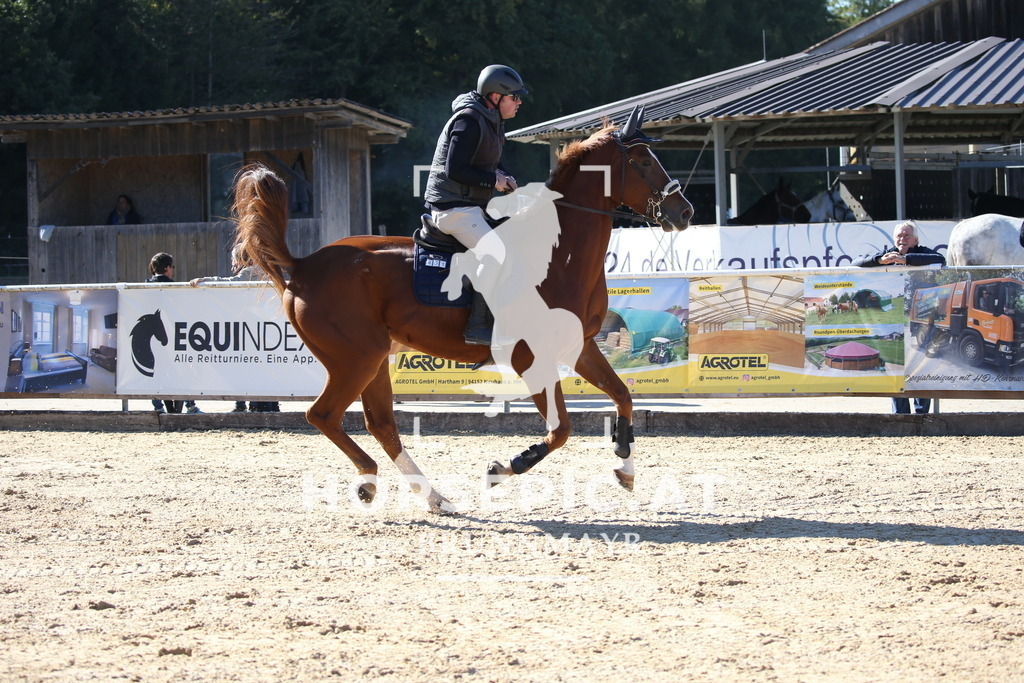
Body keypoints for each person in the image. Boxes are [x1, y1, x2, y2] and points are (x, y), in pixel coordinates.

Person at [423, 64, 526, 345]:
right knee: (496, 253)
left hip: (469, 208)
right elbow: (454, 170)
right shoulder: (468, 121)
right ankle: (477, 327)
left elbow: (490, 163)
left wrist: (506, 178)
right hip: (452, 209)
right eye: (514, 97)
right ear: (495, 97)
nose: (519, 102)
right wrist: (494, 181)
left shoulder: (490, 121)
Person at [853, 220, 946, 415]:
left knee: (921, 363)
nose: (902, 239)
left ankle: (922, 414)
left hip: (921, 317)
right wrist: (880, 260)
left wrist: (907, 260)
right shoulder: (887, 253)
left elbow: (940, 259)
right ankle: (901, 415)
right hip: (895, 318)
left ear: (915, 239)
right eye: (899, 236)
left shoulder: (922, 253)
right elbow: (856, 263)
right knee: (896, 367)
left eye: (907, 236)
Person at [191, 245, 279, 413]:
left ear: (241, 259)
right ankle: (269, 407)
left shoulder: (251, 272)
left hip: (256, 325)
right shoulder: (265, 270)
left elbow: (232, 283)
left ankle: (260, 409)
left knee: (257, 368)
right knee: (267, 368)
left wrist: (205, 281)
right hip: (267, 325)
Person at [146, 252, 201, 414]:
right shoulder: (173, 287)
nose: (172, 271)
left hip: (153, 338)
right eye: (172, 267)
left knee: (155, 372)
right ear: (167, 268)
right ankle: (189, 405)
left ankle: (158, 406)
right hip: (172, 335)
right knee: (181, 370)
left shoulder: (144, 287)